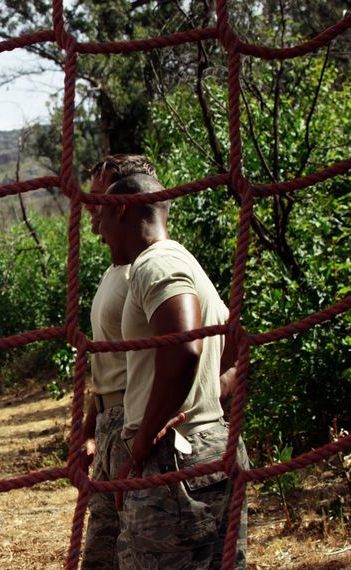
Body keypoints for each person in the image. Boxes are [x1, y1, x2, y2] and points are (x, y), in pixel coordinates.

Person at [98, 174, 248, 569]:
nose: (98, 231)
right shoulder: (186, 261)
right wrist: (205, 400)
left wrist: (142, 443)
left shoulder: (155, 263)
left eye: (102, 216)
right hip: (211, 447)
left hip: (174, 463)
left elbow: (184, 347)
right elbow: (237, 349)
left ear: (122, 209)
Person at [80, 154, 157, 569]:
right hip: (110, 423)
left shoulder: (148, 269)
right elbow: (108, 360)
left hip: (137, 423)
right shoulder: (115, 270)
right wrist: (89, 430)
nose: (93, 206)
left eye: (103, 196)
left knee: (137, 550)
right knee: (102, 550)